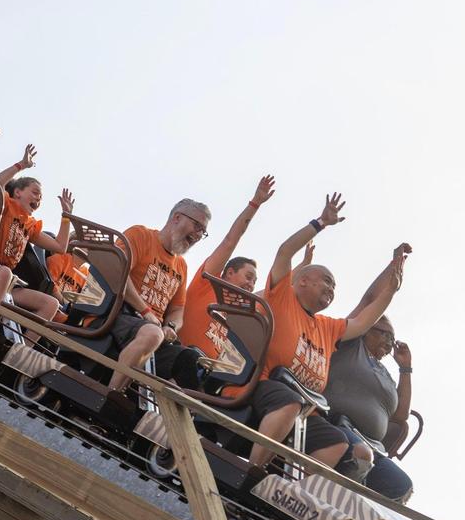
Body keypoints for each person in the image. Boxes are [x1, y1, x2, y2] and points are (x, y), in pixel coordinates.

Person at [244, 193, 410, 468]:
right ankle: (252, 473)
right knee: (290, 405)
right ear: (303, 281)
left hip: (309, 408)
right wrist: (320, 222)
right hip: (269, 387)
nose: (332, 290)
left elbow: (366, 319)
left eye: (334, 288)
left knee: (337, 442)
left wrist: (391, 290)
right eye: (327, 282)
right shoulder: (282, 297)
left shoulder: (328, 327)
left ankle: (291, 497)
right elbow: (285, 251)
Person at [324, 247, 415, 501]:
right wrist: (392, 271)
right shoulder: (350, 345)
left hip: (373, 445)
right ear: (366, 328)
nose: (389, 339)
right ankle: (339, 501)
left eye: (392, 337)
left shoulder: (385, 372)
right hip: (339, 426)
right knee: (360, 456)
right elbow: (369, 301)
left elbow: (399, 416)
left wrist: (405, 369)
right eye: (383, 332)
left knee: (401, 484)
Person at [107, 198, 211, 392]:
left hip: (152, 330)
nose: (198, 235)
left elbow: (178, 309)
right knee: (152, 333)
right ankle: (111, 394)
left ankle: (160, 419)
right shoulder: (140, 235)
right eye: (197, 226)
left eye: (202, 232)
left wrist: (171, 326)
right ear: (177, 218)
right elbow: (116, 272)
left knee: (192, 361)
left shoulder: (181, 266)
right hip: (120, 314)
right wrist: (146, 311)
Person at [176, 175, 275, 378]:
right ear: (229, 273)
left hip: (210, 379)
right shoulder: (207, 283)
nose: (251, 284)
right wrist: (254, 204)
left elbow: (276, 288)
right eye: (248, 276)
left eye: (254, 281)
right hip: (182, 360)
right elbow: (230, 241)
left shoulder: (242, 310)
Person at [0, 144, 74, 332]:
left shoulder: (30, 224)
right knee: (4, 272)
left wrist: (66, 216)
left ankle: (22, 352)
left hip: (8, 281)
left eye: (41, 197)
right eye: (35, 192)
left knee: (51, 304)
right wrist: (21, 165)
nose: (38, 199)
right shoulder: (6, 204)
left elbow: (60, 247)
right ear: (18, 192)